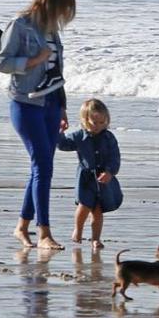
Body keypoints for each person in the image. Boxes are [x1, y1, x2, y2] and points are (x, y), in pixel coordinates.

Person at [0, 0, 75, 250]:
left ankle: (22, 226)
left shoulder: (52, 31)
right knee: (43, 165)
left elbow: (57, 71)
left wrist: (62, 106)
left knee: (41, 166)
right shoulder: (20, 25)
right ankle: (44, 233)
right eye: (64, 8)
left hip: (51, 102)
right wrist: (32, 61)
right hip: (25, 102)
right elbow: (3, 62)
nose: (65, 15)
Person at [59, 99, 122, 251]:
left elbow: (115, 157)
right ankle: (78, 230)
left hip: (103, 178)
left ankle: (96, 239)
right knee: (84, 205)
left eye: (102, 122)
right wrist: (59, 133)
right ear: (85, 120)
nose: (99, 126)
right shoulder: (79, 136)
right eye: (95, 122)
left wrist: (110, 172)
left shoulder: (109, 137)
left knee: (98, 210)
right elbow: (63, 145)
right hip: (86, 178)